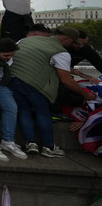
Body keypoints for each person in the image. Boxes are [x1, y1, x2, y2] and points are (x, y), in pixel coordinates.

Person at [9, 27, 97, 157]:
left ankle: (31, 143)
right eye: (73, 43)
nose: (73, 47)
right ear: (66, 39)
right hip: (34, 85)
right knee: (42, 112)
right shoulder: (61, 52)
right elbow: (66, 80)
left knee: (24, 111)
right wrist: (86, 94)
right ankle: (48, 147)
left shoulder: (24, 41)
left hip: (13, 80)